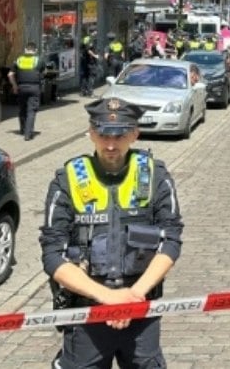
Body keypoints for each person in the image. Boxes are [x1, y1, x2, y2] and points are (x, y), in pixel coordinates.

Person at [38, 98, 184, 369]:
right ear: (91, 133)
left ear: (135, 134)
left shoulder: (155, 175)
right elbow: (52, 256)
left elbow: (171, 240)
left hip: (141, 308)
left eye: (120, 136)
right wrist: (107, 297)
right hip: (87, 311)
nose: (110, 145)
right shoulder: (68, 179)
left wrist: (133, 296)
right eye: (103, 134)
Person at [11, 41, 42, 141]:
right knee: (31, 111)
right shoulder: (38, 60)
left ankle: (23, 129)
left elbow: (10, 74)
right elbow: (44, 72)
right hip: (34, 87)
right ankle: (28, 134)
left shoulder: (18, 60)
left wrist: (15, 86)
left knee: (22, 109)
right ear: (35, 50)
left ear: (25, 49)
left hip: (21, 87)